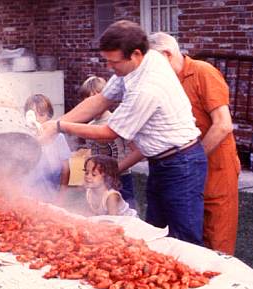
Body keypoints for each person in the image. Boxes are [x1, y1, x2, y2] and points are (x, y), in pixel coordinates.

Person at [41, 20, 207, 246]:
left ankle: (193, 278)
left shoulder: (148, 87)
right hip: (160, 162)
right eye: (107, 61)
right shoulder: (141, 62)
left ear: (136, 54)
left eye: (114, 62)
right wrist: (55, 123)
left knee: (184, 239)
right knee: (156, 233)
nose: (110, 67)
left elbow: (110, 131)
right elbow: (100, 100)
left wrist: (61, 127)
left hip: (182, 163)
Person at [149, 32, 241, 255]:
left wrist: (191, 159)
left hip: (215, 168)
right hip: (183, 170)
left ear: (167, 55)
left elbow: (223, 125)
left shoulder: (203, 72)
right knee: (181, 239)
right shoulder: (164, 82)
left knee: (216, 240)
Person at [79, 76, 137, 210]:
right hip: (99, 181)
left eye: (95, 99)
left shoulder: (116, 122)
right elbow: (93, 153)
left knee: (124, 217)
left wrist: (114, 171)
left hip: (121, 179)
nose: (92, 104)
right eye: (86, 99)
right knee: (102, 213)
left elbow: (136, 151)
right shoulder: (90, 126)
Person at [24, 94, 71, 205]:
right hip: (29, 193)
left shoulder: (58, 138)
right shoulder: (25, 138)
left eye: (41, 115)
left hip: (52, 193)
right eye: (33, 115)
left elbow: (66, 169)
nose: (37, 119)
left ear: (49, 117)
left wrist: (62, 195)